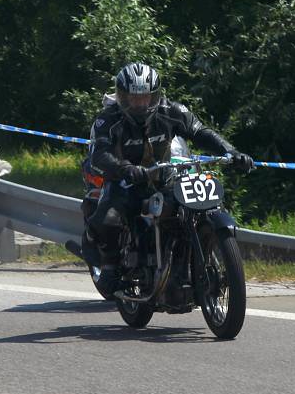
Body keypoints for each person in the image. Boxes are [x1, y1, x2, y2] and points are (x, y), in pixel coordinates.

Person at [86, 62, 254, 294]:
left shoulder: (171, 111)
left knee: (182, 211)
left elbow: (200, 132)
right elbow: (99, 154)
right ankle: (110, 266)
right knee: (109, 219)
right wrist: (124, 168)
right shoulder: (108, 120)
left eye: (145, 97)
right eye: (133, 98)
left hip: (165, 179)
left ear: (155, 95)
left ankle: (183, 262)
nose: (140, 103)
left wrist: (231, 152)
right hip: (125, 182)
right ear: (122, 96)